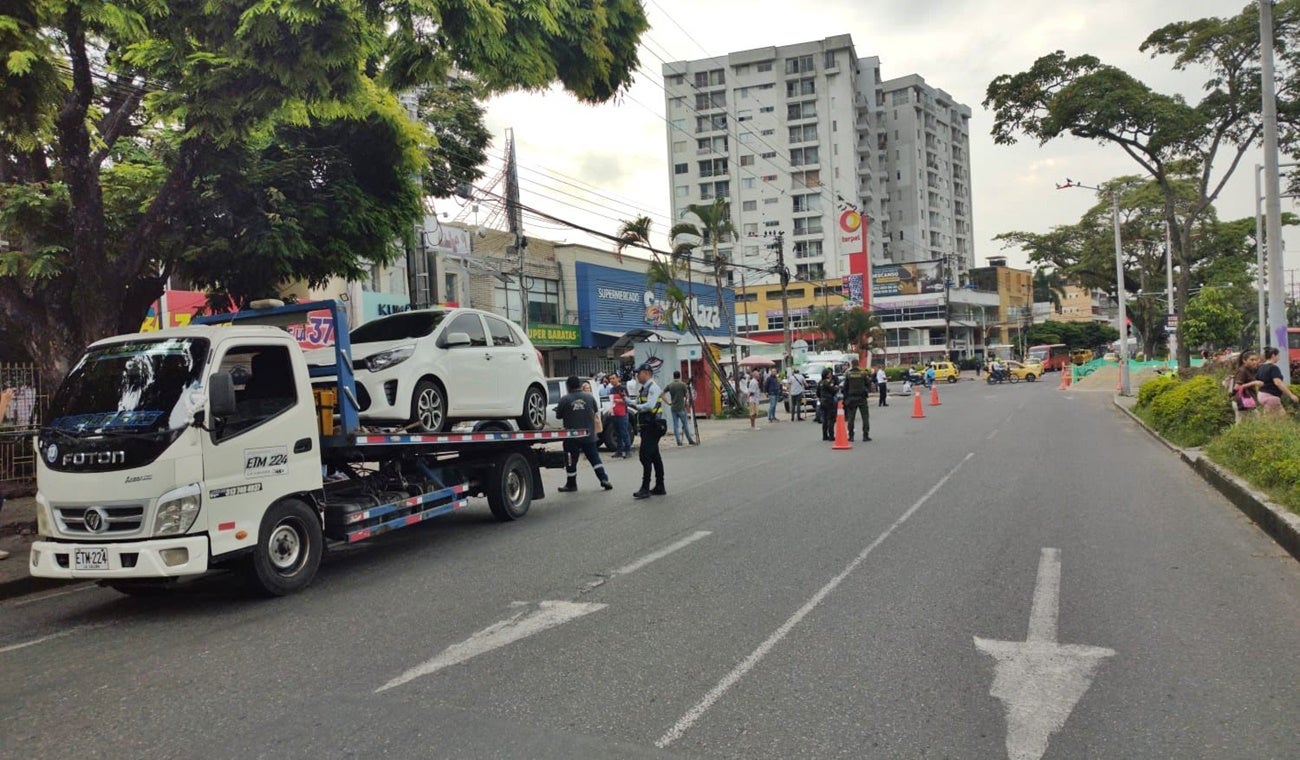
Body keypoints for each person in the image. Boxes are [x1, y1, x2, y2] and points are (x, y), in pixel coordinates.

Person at [554, 376, 612, 492]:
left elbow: (558, 416)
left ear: (568, 386)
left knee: (571, 461)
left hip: (572, 437)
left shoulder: (565, 399)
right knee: (595, 459)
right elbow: (595, 411)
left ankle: (571, 484)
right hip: (588, 435)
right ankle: (604, 479)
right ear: (579, 385)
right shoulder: (589, 398)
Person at [631, 364, 667, 498]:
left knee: (645, 456)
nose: (637, 376)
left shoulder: (653, 387)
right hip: (647, 426)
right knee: (655, 456)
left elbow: (650, 405)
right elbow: (639, 402)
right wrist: (627, 401)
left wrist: (636, 406)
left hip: (653, 426)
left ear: (646, 373)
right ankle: (660, 486)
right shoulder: (644, 388)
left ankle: (645, 488)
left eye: (638, 373)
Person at [1255, 346, 1298, 416]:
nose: (1279, 358)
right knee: (1280, 419)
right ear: (1273, 355)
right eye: (1278, 355)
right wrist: (1291, 395)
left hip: (1261, 395)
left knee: (1271, 417)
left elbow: (1257, 382)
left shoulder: (1261, 367)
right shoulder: (1273, 368)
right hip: (1271, 397)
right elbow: (1278, 382)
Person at [841, 357, 871, 442]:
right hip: (862, 398)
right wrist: (865, 391)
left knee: (851, 418)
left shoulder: (848, 374)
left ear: (851, 365)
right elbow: (868, 384)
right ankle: (865, 435)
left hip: (851, 398)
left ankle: (851, 436)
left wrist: (846, 397)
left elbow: (845, 387)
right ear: (858, 364)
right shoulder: (863, 373)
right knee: (865, 417)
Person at [664, 370, 697, 446]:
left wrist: (668, 402)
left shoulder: (670, 385)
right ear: (679, 376)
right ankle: (690, 440)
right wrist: (686, 402)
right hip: (681, 408)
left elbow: (662, 394)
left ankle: (678, 441)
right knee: (685, 425)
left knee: (676, 426)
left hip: (673, 408)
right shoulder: (683, 385)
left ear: (673, 376)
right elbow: (687, 395)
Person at [1231, 350, 1263, 415]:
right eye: (1252, 360)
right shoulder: (1242, 371)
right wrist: (1254, 383)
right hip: (1242, 402)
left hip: (1249, 401)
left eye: (1256, 360)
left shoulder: (1251, 369)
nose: (1254, 362)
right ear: (1244, 361)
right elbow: (1237, 387)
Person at [608, 374, 632, 458]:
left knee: (624, 432)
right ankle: (619, 451)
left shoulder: (622, 388)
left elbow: (628, 401)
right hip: (614, 413)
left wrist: (620, 400)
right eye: (610, 379)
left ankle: (628, 450)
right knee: (617, 433)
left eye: (613, 378)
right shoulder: (611, 390)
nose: (611, 380)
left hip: (622, 414)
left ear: (618, 378)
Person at [817, 368, 839, 441]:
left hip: (822, 402)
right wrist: (836, 388)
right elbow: (833, 391)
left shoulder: (820, 382)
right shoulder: (829, 382)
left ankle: (824, 435)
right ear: (826, 374)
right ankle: (831, 436)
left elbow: (818, 393)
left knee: (824, 419)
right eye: (829, 373)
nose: (830, 374)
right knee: (831, 419)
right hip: (829, 401)